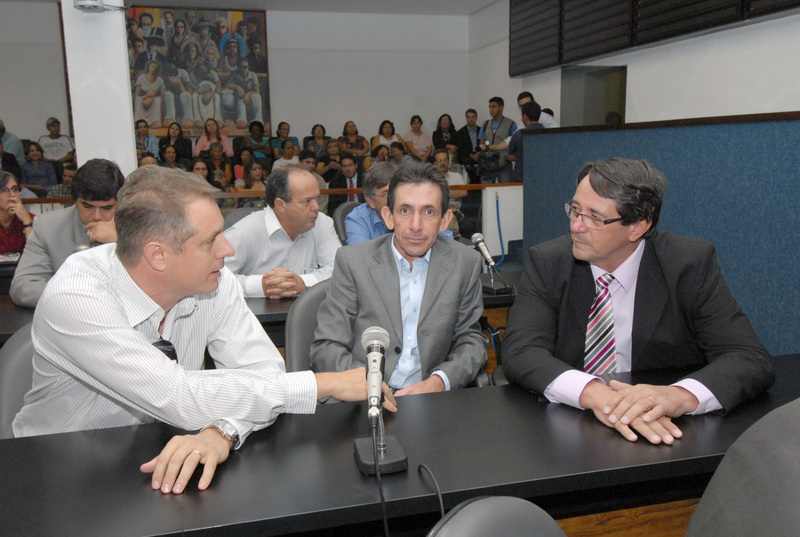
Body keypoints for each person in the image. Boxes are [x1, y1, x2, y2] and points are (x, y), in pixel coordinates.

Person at [12, 166, 394, 496]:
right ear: (157, 255)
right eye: (211, 240)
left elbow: (263, 374)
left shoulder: (215, 280)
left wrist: (222, 431)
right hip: (56, 475)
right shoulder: (76, 297)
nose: (227, 250)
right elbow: (179, 395)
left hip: (165, 457)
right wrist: (321, 383)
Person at [502, 158, 774, 445]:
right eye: (575, 210)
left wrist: (678, 396)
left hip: (668, 433)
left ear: (638, 226)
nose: (577, 226)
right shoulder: (548, 263)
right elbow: (521, 350)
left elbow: (749, 357)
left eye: (595, 217)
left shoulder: (688, 264)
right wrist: (596, 394)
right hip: (569, 430)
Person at [310, 160, 487, 394]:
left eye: (429, 212)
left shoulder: (465, 263)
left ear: (445, 220)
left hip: (431, 397)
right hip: (364, 396)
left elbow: (471, 340)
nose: (416, 225)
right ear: (388, 216)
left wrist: (438, 382)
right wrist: (372, 387)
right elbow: (327, 347)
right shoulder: (353, 262)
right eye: (405, 211)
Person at [10, 159, 125, 308]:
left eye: (107, 208)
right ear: (74, 200)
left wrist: (121, 242)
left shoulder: (139, 227)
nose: (97, 216)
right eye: (87, 206)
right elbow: (23, 287)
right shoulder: (48, 226)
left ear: (120, 203)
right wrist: (80, 299)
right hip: (70, 313)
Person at [224, 165, 340, 299]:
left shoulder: (321, 223)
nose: (317, 207)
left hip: (307, 308)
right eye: (307, 201)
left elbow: (339, 269)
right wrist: (261, 285)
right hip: (254, 310)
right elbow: (216, 279)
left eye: (317, 198)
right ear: (280, 205)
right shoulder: (244, 231)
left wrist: (304, 282)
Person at [485, 101, 544, 182]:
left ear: (525, 117)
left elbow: (511, 156)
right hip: (542, 177)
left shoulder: (518, 135)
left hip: (521, 177)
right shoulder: (548, 134)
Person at [344, 161, 396, 245]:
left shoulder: (412, 212)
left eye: (396, 191)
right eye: (386, 194)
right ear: (371, 201)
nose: (394, 198)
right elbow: (361, 252)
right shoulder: (358, 219)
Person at [478, 96, 517, 183]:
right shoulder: (486, 124)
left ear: (501, 108)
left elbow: (515, 143)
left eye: (494, 106)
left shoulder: (511, 124)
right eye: (489, 107)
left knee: (506, 189)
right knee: (486, 189)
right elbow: (481, 143)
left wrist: (511, 156)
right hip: (487, 166)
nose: (491, 109)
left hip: (504, 165)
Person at [0, 171, 34, 253]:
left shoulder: (31, 219)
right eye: (4, 190)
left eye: (15, 189)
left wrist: (27, 222)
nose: (12, 194)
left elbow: (36, 253)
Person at [226, 58, 263, 129]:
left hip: (251, 98)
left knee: (257, 96)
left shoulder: (252, 75)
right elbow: (228, 84)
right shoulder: (235, 75)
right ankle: (242, 120)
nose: (243, 69)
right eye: (241, 67)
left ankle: (258, 119)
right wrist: (237, 86)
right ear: (238, 67)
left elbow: (257, 91)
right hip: (239, 98)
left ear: (248, 67)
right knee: (241, 101)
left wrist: (248, 94)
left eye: (245, 67)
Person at [298, 148, 329, 215]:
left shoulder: (319, 180)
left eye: (313, 163)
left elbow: (323, 202)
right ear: (299, 162)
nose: (311, 166)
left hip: (315, 214)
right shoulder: (290, 177)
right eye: (308, 162)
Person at [456, 108, 481, 179]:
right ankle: (473, 182)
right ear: (466, 118)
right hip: (467, 155)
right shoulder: (461, 132)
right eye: (469, 117)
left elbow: (483, 145)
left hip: (479, 154)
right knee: (468, 164)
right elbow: (461, 148)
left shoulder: (481, 130)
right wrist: (472, 155)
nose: (471, 119)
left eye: (473, 117)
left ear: (476, 118)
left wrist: (478, 154)